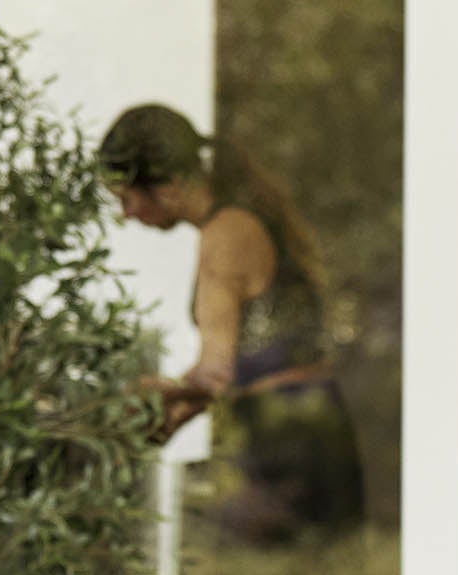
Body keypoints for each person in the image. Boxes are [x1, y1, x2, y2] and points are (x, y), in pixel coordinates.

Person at [98, 103, 364, 546]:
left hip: (286, 445)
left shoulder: (224, 237)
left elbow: (215, 374)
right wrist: (165, 420)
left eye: (127, 197)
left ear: (166, 188)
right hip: (311, 428)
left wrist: (145, 395)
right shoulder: (244, 219)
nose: (125, 213)